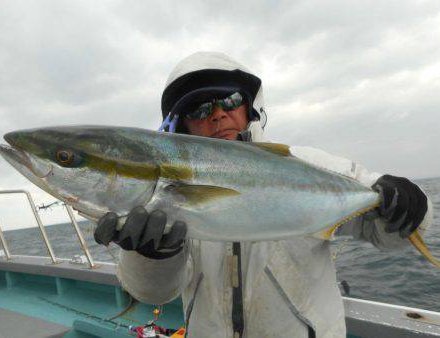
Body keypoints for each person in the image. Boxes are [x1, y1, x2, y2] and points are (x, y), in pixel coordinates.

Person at [94, 52, 432, 338]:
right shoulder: (160, 196)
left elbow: (390, 235)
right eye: (198, 109)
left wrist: (412, 206)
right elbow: (155, 293)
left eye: (229, 101)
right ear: (181, 127)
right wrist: (151, 258)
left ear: (249, 109)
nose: (217, 114)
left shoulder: (308, 164)